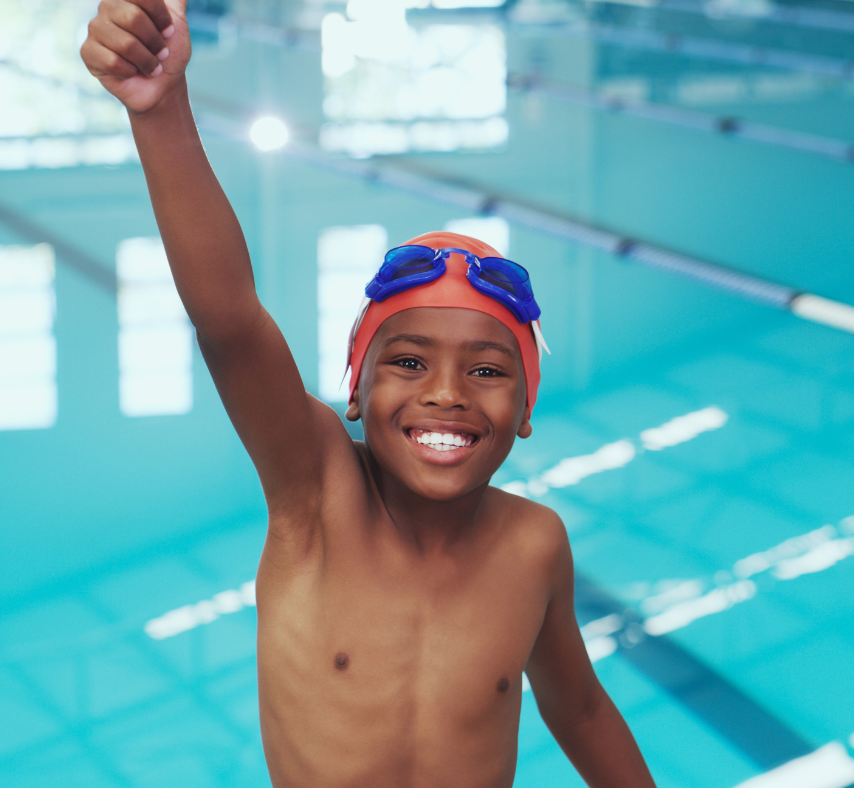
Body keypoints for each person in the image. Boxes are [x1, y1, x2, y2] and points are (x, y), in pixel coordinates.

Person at [81, 2, 656, 786]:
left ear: (526, 410)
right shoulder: (317, 497)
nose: (447, 394)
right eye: (409, 363)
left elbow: (581, 710)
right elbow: (229, 322)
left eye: (488, 370)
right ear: (354, 393)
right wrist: (161, 111)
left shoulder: (533, 546)